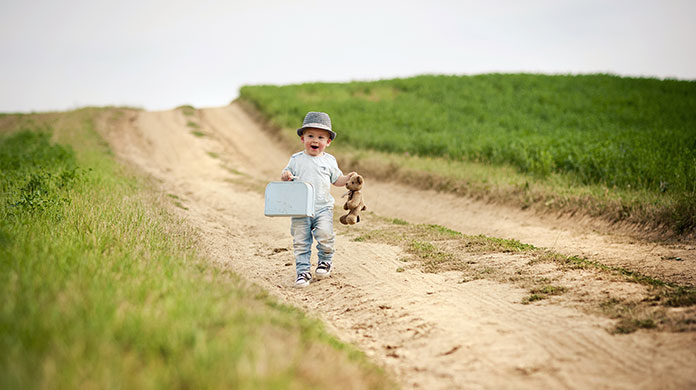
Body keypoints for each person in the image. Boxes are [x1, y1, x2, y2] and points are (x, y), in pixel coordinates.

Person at [280, 111, 356, 288]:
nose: (315, 140)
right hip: (300, 208)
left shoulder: (329, 161)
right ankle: (303, 271)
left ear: (328, 142)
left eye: (321, 137)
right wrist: (286, 175)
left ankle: (325, 261)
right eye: (310, 136)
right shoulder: (296, 159)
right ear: (302, 139)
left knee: (325, 234)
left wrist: (348, 179)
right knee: (301, 241)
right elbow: (286, 175)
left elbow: (336, 180)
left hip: (322, 207)